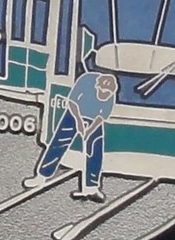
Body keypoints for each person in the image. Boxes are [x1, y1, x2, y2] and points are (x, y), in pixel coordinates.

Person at [23, 72, 118, 202]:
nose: (104, 95)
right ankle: (41, 177)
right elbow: (72, 102)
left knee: (95, 150)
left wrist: (89, 131)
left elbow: (100, 117)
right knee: (59, 143)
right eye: (102, 92)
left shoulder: (111, 95)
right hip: (74, 113)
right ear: (97, 86)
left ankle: (91, 187)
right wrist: (79, 122)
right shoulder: (85, 81)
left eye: (107, 94)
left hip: (93, 119)